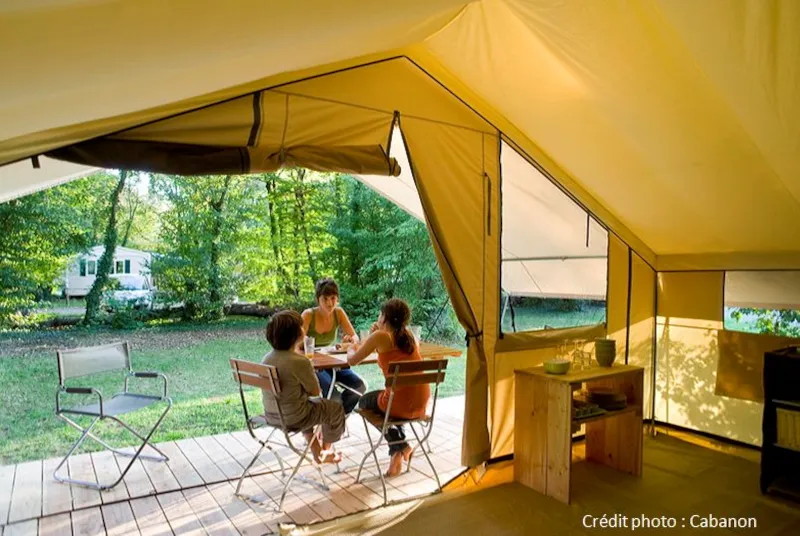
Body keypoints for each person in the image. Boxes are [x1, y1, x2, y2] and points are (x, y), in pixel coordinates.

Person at [348, 298, 430, 477]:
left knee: (364, 402)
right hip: (421, 403)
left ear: (384, 317)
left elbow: (352, 360)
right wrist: (377, 335)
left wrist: (351, 347)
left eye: (380, 314)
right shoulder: (409, 336)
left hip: (398, 404)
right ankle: (396, 456)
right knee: (391, 402)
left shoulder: (380, 337)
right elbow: (391, 348)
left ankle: (402, 445)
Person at [262, 310, 344, 464]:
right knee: (335, 409)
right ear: (296, 335)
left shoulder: (267, 358)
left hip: (271, 415)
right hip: (294, 418)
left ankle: (316, 450)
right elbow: (315, 392)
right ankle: (326, 451)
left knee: (301, 404)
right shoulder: (300, 362)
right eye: (301, 326)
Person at [302, 278, 366, 414]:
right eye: (325, 299)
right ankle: (334, 419)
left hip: (333, 362)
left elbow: (355, 337)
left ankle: (336, 417)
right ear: (318, 299)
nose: (330, 303)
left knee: (359, 386)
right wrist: (305, 340)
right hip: (313, 366)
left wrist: (350, 340)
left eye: (333, 298)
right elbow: (296, 342)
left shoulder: (339, 313)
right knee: (333, 396)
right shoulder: (308, 315)